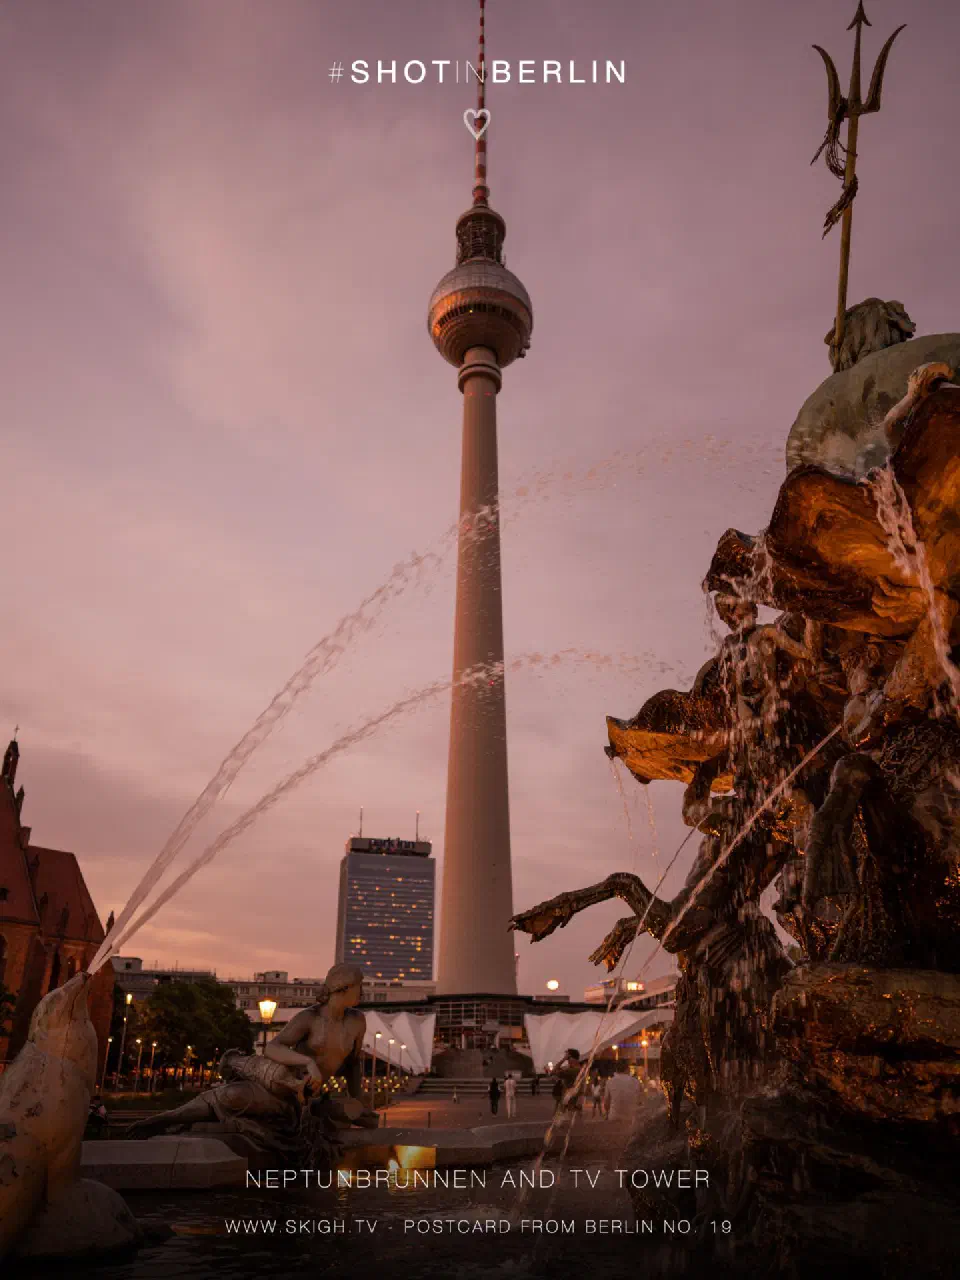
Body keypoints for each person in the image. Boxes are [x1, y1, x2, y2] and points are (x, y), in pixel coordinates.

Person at [127, 963, 377, 1155]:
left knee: (348, 1111)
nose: (362, 991)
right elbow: (273, 1048)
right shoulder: (309, 1018)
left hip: (307, 1101)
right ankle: (163, 1120)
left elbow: (353, 1065)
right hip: (279, 1087)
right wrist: (307, 1063)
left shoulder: (357, 1022)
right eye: (359, 986)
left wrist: (360, 1103)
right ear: (343, 989)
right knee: (232, 1095)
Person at [604, 1062, 643, 1129]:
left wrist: (607, 1114)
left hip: (614, 1117)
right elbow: (641, 1101)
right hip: (631, 1118)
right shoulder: (636, 1082)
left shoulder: (609, 1082)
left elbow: (606, 1103)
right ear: (627, 1069)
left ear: (616, 1070)